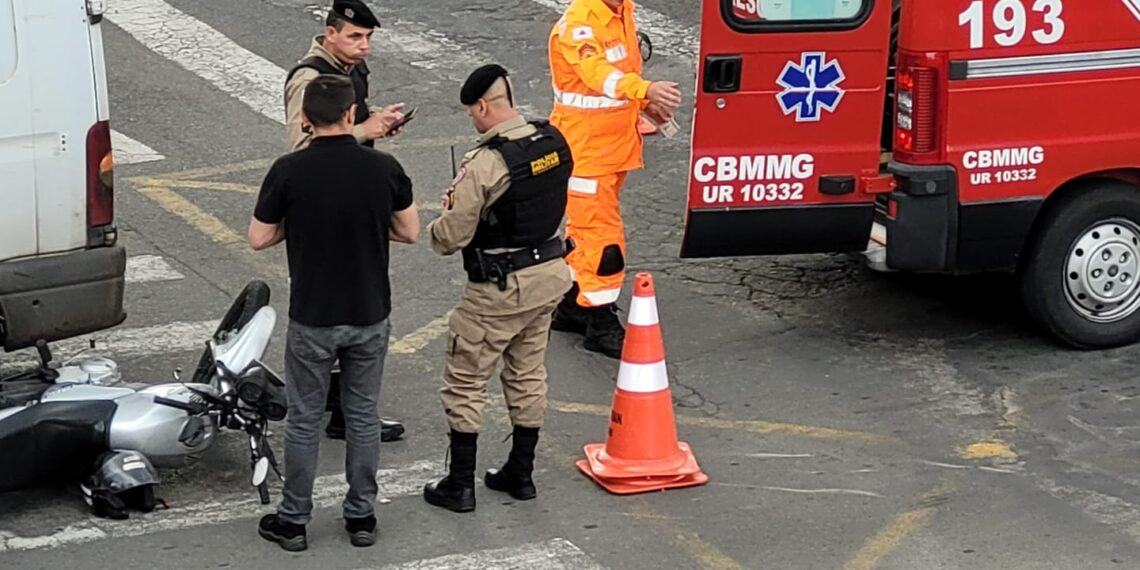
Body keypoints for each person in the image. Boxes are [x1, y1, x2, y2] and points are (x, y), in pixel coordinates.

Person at [250, 75, 419, 551]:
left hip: (313, 316)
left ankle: (294, 520)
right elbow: (408, 231)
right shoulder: (383, 168)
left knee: (304, 418)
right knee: (363, 416)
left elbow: (259, 237)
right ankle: (361, 517)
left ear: (305, 118)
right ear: (351, 115)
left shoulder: (288, 171)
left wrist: (299, 225)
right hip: (368, 312)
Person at [421, 64, 573, 513]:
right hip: (549, 274)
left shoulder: (488, 162)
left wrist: (435, 225)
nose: (472, 120)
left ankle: (460, 485)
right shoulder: (552, 141)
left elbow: (451, 236)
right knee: (528, 374)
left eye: (472, 113)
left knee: (465, 380)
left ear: (484, 106)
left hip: (499, 289)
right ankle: (520, 474)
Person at [283, 0, 407, 442]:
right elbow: (302, 148)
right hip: (320, 208)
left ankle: (343, 411)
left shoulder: (350, 70)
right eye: (355, 37)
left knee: (354, 297)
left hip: (352, 197)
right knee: (328, 305)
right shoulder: (310, 78)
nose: (364, 46)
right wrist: (364, 132)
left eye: (369, 38)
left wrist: (375, 128)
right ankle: (329, 409)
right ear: (330, 32)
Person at [546, 0, 683, 358]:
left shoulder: (620, 11)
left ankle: (574, 305)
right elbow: (598, 75)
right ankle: (600, 321)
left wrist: (644, 105)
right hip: (587, 152)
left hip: (610, 148)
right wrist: (645, 91)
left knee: (584, 231)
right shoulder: (582, 23)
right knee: (603, 241)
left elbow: (617, 72)